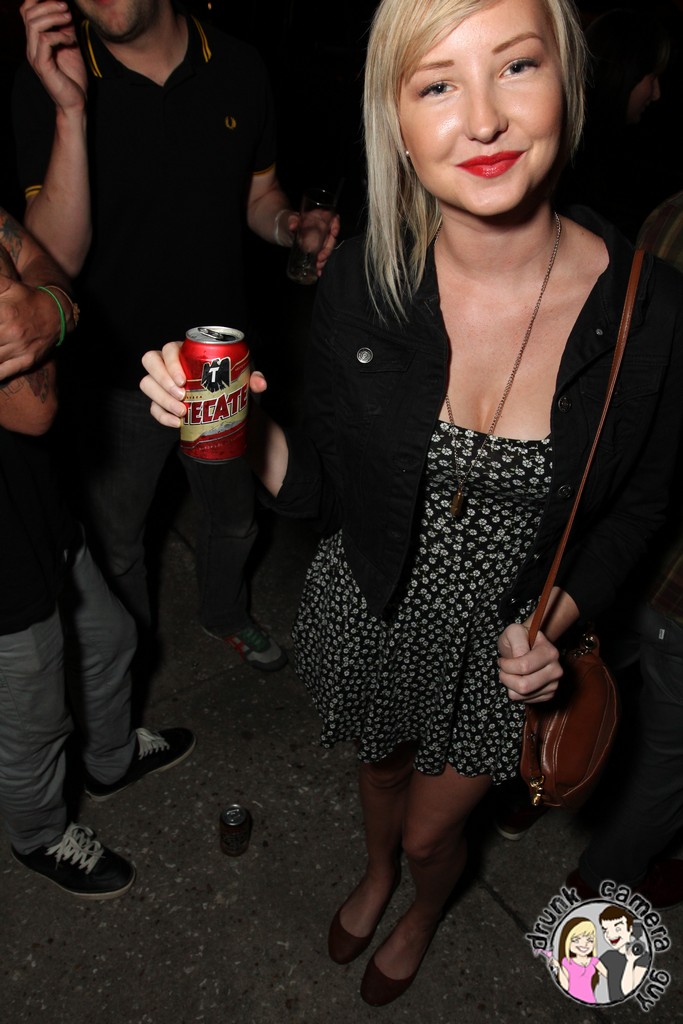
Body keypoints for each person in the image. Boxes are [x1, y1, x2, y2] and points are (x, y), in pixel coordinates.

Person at [141, 0, 683, 1006]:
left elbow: (640, 506)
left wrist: (553, 622)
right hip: (374, 601)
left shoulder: (645, 308)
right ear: (394, 121)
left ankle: (424, 899)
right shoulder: (362, 279)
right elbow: (321, 489)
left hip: (498, 646)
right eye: (436, 82)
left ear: (567, 80)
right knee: (380, 770)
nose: (480, 118)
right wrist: (226, 421)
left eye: (514, 65)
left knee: (437, 831)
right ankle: (374, 868)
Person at [12, 0, 338, 677]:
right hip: (113, 374)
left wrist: (289, 227)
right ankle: (128, 662)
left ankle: (225, 611)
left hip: (220, 360)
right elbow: (53, 260)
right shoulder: (50, 76)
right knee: (119, 543)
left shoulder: (239, 66)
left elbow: (259, 195)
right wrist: (70, 111)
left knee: (236, 518)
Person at [0, 205, 195, 899]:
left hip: (35, 503)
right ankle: (39, 835)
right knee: (33, 723)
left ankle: (110, 760)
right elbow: (33, 408)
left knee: (110, 638)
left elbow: (39, 259)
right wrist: (47, 305)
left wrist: (47, 305)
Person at [563, 189, 683, 909]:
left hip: (623, 540)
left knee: (587, 675)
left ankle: (526, 792)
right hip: (660, 566)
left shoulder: (672, 215)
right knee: (668, 758)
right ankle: (594, 892)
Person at [555, 7, 671, 241]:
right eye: (652, 77)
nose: (657, 93)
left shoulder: (619, 152)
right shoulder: (582, 162)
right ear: (627, 71)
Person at [598, 906, 650, 1001]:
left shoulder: (643, 957)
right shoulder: (608, 956)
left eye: (617, 929)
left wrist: (630, 961)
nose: (610, 935)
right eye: (605, 930)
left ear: (630, 929)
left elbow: (627, 991)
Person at [552, 917, 607, 1004]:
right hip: (571, 1001)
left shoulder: (594, 961)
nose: (584, 944)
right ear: (567, 941)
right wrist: (558, 967)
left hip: (590, 1001)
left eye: (590, 940)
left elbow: (610, 976)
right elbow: (565, 986)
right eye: (576, 940)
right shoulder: (566, 962)